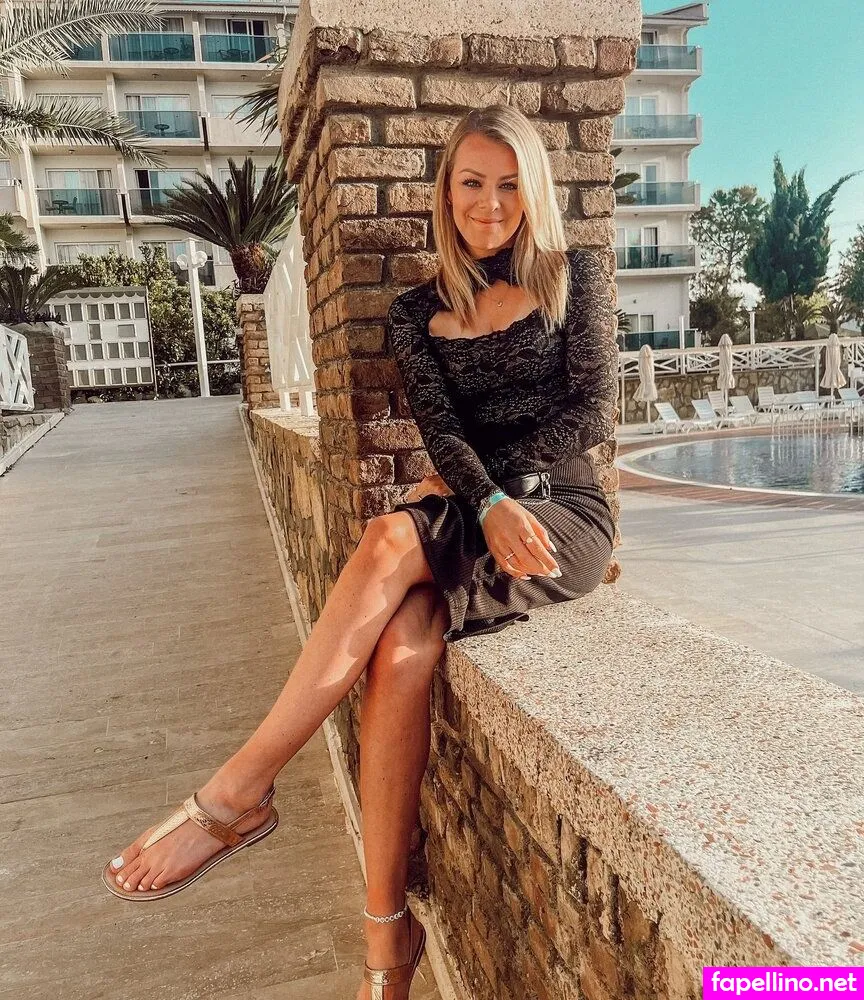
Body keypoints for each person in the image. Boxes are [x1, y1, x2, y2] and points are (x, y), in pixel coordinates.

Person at [100, 102, 619, 1000]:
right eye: (472, 183)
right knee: (402, 649)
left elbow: (595, 411)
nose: (491, 204)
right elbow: (440, 434)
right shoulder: (415, 312)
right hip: (480, 504)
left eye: (509, 185)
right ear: (445, 191)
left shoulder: (579, 278)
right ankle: (388, 933)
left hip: (562, 514)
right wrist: (482, 497)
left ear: (533, 189)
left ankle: (237, 795)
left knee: (388, 534)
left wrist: (500, 493)